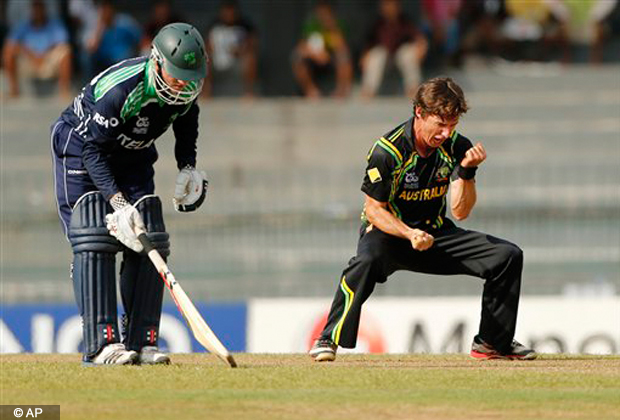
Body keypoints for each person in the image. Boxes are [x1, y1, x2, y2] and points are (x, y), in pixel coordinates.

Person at [309, 77, 537, 362]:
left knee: (507, 256)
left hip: (434, 235)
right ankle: (327, 338)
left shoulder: (456, 146)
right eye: (440, 124)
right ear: (419, 112)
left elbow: (461, 211)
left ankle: (492, 344)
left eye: (452, 125)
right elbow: (374, 210)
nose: (445, 133)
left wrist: (467, 172)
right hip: (389, 234)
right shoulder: (388, 151)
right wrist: (408, 234)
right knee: (365, 262)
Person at [50, 22, 209, 365]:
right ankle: (101, 345)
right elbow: (93, 152)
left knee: (149, 230)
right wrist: (118, 204)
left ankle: (142, 340)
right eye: (177, 74)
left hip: (133, 155)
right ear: (156, 61)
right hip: (81, 151)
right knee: (94, 236)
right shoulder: (120, 89)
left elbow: (186, 120)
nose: (183, 84)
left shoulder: (183, 93)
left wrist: (188, 166)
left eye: (190, 77)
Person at [2, 0, 72, 98]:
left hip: (48, 62)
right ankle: (14, 90)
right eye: (35, 9)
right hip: (29, 62)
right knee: (9, 50)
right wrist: (30, 53)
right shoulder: (23, 25)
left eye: (40, 9)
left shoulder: (55, 25)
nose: (37, 12)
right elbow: (10, 43)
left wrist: (44, 55)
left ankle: (64, 90)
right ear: (31, 11)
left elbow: (62, 41)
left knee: (65, 51)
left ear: (44, 10)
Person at [360, 0, 428, 99]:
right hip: (385, 60)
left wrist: (421, 48)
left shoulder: (405, 21)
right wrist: (364, 57)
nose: (388, 9)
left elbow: (419, 38)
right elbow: (369, 44)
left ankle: (413, 88)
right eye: (386, 6)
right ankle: (369, 90)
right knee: (377, 55)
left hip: (400, 58)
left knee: (407, 54)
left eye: (391, 5)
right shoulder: (377, 24)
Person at [292, 0, 352, 98]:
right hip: (314, 59)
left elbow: (343, 47)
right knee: (297, 57)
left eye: (326, 13)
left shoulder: (339, 24)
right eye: (320, 13)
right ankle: (311, 91)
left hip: (332, 59)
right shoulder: (312, 25)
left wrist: (332, 28)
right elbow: (302, 47)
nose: (323, 16)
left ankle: (341, 91)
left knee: (343, 56)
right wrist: (316, 54)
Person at [204, 0, 258, 98]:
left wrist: (241, 50)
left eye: (231, 11)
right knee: (205, 59)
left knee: (250, 57)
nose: (229, 14)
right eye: (226, 11)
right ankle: (206, 91)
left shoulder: (245, 26)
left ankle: (249, 92)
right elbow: (206, 47)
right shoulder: (214, 26)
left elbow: (253, 44)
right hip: (217, 61)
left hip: (237, 61)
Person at [84, 0, 142, 76]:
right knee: (86, 58)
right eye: (103, 11)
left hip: (123, 59)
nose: (106, 13)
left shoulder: (125, 22)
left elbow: (140, 39)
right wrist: (99, 28)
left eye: (107, 9)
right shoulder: (98, 26)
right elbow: (92, 48)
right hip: (105, 61)